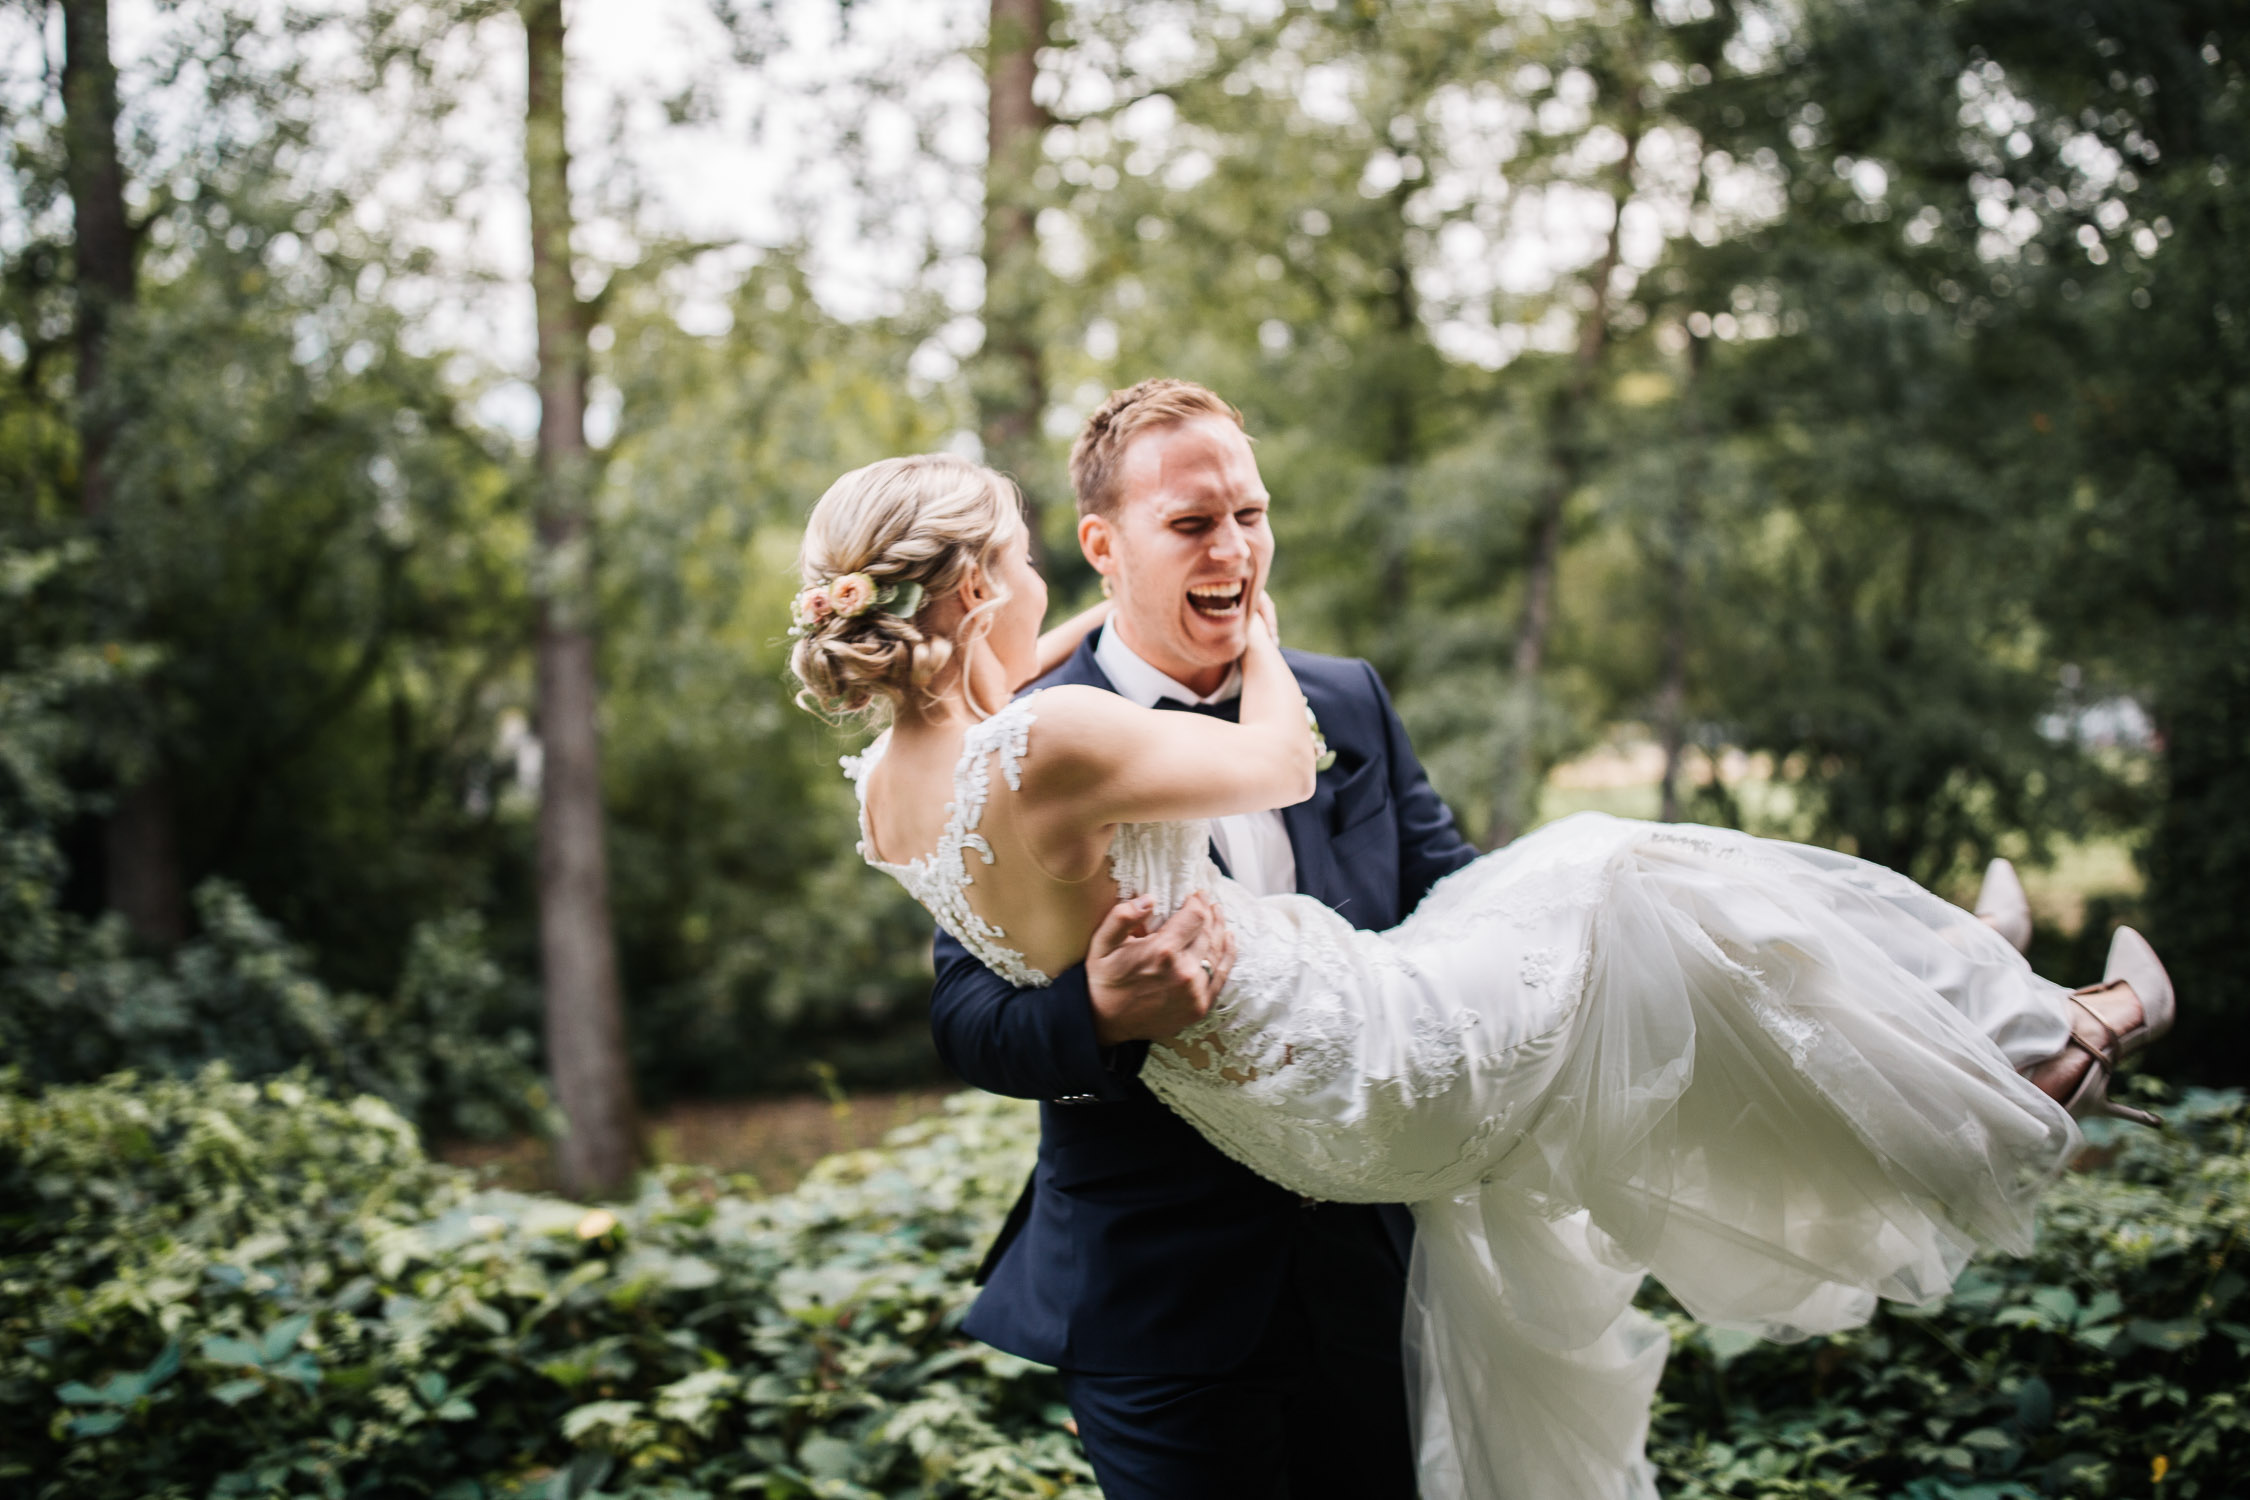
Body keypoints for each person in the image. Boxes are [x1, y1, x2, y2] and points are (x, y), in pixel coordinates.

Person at [786, 389, 2173, 1500]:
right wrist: (1094, 1008)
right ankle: (1993, 1026)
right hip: (1170, 1289)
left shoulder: (954, 754)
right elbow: (972, 1020)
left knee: (1620, 905)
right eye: (1193, 522)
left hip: (1362, 1236)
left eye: (1252, 516)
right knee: (1622, 868)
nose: (1236, 550)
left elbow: (1449, 880)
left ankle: (1956, 1012)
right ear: (1096, 546)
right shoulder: (1051, 724)